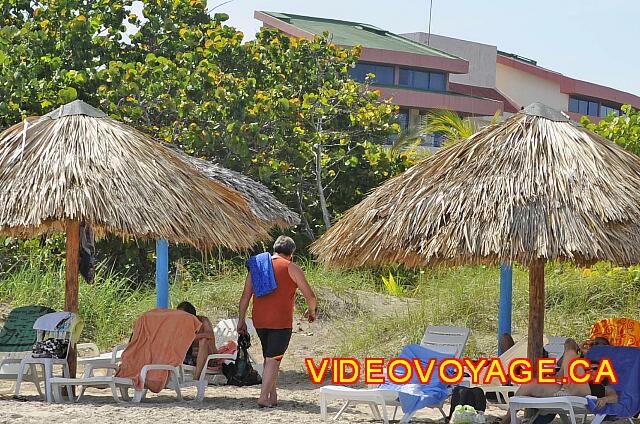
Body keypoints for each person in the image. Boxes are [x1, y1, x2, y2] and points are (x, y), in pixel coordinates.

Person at [238, 235, 317, 408]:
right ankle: (263, 397)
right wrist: (311, 311)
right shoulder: (292, 267)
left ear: (275, 248)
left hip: (259, 320)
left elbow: (245, 296)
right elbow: (310, 297)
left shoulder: (258, 266)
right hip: (280, 322)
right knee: (274, 358)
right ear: (292, 253)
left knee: (270, 357)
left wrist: (241, 320)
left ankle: (272, 395)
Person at [501, 337, 618, 424]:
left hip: (584, 390)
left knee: (570, 345)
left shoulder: (606, 369)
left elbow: (614, 396)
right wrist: (581, 352)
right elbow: (562, 363)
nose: (595, 345)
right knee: (529, 384)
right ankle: (507, 419)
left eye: (600, 344)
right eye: (594, 343)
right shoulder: (582, 359)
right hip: (563, 388)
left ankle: (561, 378)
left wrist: (605, 399)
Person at [176, 301, 218, 379]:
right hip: (190, 358)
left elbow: (210, 335)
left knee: (203, 340)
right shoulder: (181, 324)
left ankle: (197, 377)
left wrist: (191, 337)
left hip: (209, 358)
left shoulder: (203, 321)